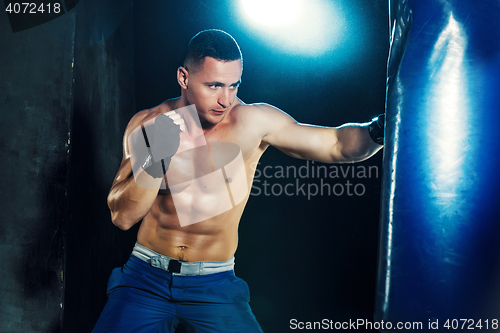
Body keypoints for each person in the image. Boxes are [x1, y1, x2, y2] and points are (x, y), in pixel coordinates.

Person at [93, 29, 384, 332]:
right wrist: (157, 157)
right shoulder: (148, 124)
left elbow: (338, 145)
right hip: (145, 279)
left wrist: (379, 129)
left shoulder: (252, 122)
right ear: (184, 77)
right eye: (214, 85)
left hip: (214, 285)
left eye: (233, 85)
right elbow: (123, 216)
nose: (225, 99)